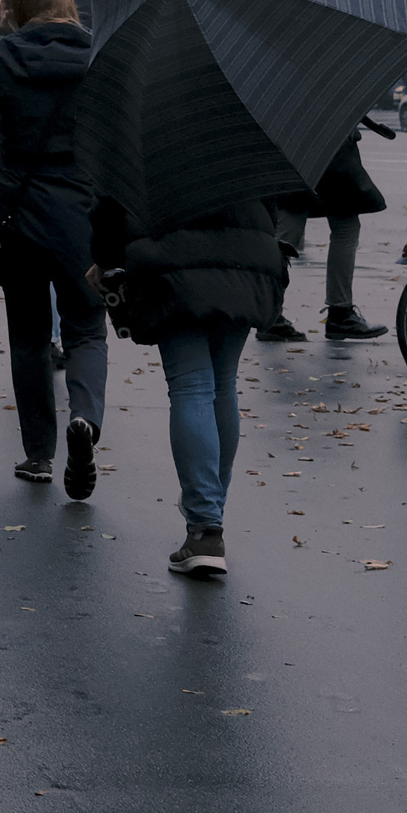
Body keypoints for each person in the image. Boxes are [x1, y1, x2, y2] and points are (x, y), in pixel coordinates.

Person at [90, 196, 286, 578]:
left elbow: (111, 207)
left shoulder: (145, 136)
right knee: (223, 384)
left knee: (191, 385)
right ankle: (210, 518)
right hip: (247, 262)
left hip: (171, 262)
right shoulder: (249, 135)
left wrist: (105, 258)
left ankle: (204, 527)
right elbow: (271, 205)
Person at [0, 0, 108, 496]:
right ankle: (86, 421)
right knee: (86, 326)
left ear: (19, 5)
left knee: (28, 335)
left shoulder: (4, 58)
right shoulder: (99, 57)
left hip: (21, 211)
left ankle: (38, 454)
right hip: (81, 213)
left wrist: (11, 29)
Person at [261, 123, 391, 343]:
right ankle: (340, 313)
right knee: (344, 225)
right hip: (331, 148)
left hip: (292, 147)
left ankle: (269, 313)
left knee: (289, 226)